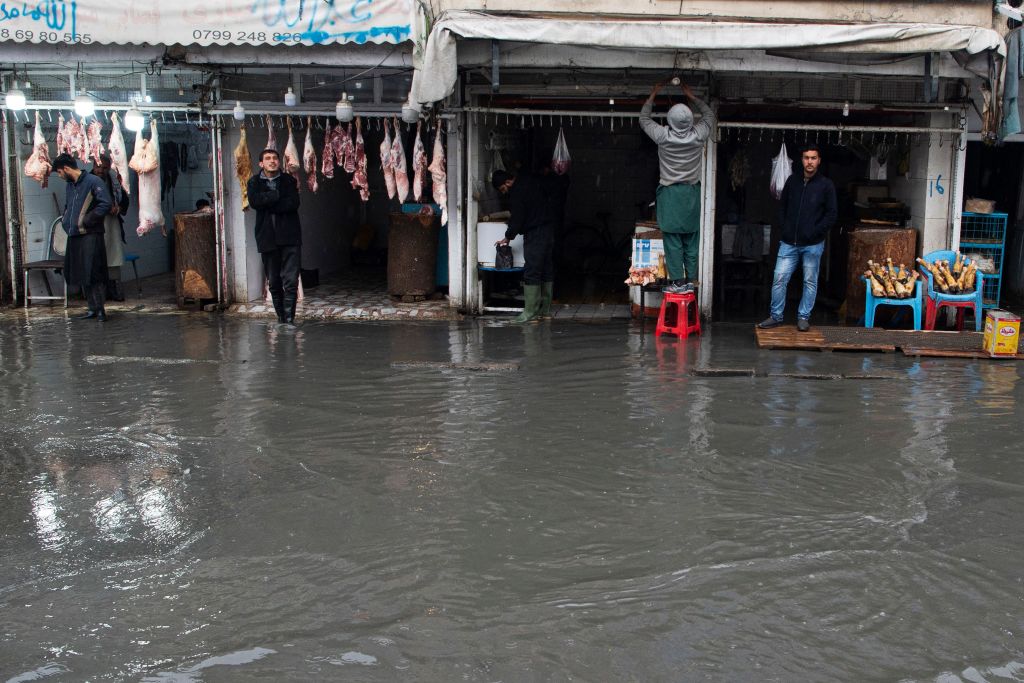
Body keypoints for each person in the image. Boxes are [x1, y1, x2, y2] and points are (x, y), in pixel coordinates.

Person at [640, 79, 715, 294]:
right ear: (691, 120)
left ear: (670, 121)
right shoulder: (698, 135)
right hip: (691, 193)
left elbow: (644, 119)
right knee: (691, 238)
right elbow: (709, 115)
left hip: (671, 193)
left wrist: (654, 93)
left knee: (672, 240)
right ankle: (691, 279)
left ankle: (677, 282)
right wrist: (692, 96)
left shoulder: (663, 136)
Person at [758, 145, 838, 332]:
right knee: (779, 278)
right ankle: (776, 316)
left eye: (813, 158)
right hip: (789, 242)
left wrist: (816, 232)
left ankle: (803, 317)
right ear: (801, 160)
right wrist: (785, 228)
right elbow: (782, 207)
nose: (809, 161)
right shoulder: (792, 181)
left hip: (813, 244)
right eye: (806, 157)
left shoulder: (826, 185)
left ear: (819, 161)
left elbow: (831, 214)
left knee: (810, 281)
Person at [492, 168, 559, 323]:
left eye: (503, 189)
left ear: (507, 182)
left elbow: (518, 218)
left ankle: (530, 312)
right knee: (546, 268)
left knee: (532, 270)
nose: (504, 193)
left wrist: (508, 237)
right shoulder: (529, 180)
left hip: (536, 232)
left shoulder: (517, 192)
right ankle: (545, 309)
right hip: (548, 228)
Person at [53, 153, 113, 321]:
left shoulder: (93, 181)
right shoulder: (70, 185)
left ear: (66, 168)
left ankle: (100, 310)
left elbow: (105, 203)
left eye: (59, 172)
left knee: (94, 272)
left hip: (91, 234)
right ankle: (91, 309)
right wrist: (66, 221)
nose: (59, 176)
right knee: (81, 272)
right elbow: (68, 205)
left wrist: (88, 220)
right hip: (74, 234)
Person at [246, 148, 302, 325]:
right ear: (261, 163)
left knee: (291, 280)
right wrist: (276, 196)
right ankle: (281, 318)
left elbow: (293, 204)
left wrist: (268, 202)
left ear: (279, 162)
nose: (272, 161)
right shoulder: (254, 182)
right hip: (267, 237)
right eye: (268, 159)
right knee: (274, 282)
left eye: (275, 158)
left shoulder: (288, 181)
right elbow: (255, 202)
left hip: (290, 237)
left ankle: (289, 319)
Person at [91, 153, 130, 301]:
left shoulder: (114, 181)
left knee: (113, 258)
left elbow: (124, 199)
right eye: (98, 167)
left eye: (104, 168)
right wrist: (104, 209)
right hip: (95, 225)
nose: (100, 171)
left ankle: (113, 289)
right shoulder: (88, 181)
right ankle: (98, 293)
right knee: (97, 259)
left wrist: (118, 208)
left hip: (112, 224)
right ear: (93, 166)